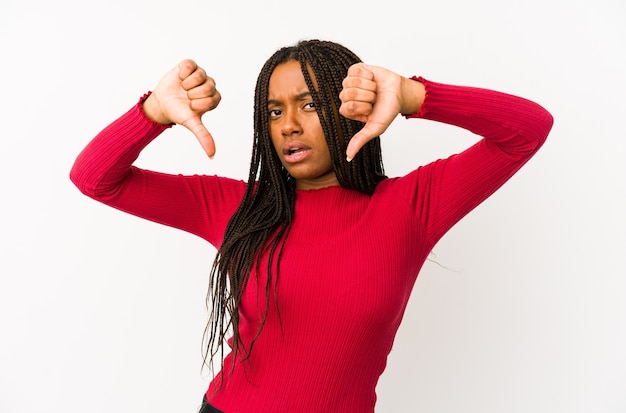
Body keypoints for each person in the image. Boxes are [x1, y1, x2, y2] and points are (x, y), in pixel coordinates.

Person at [70, 39, 553, 413]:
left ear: (351, 108)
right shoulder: (237, 206)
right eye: (275, 111)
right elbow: (94, 179)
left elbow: (528, 130)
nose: (288, 126)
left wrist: (413, 96)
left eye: (309, 104)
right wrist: (153, 112)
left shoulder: (410, 205)